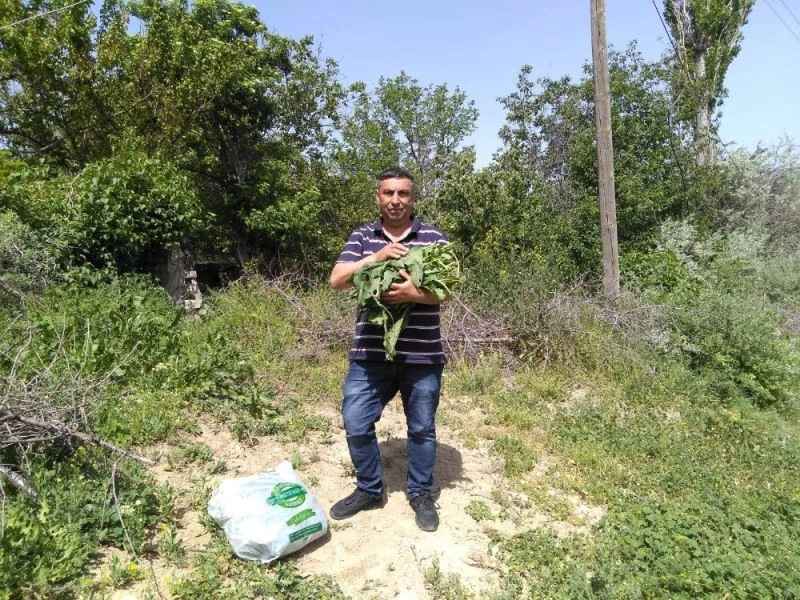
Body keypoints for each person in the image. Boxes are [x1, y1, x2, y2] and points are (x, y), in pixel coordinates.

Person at [328, 166, 449, 532]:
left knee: (423, 429)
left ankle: (421, 494)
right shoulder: (363, 236)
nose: (395, 200)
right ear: (378, 197)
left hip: (421, 355)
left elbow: (448, 287)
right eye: (388, 193)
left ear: (413, 198)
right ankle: (368, 489)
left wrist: (416, 294)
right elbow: (337, 279)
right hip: (370, 355)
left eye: (403, 194)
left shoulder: (433, 237)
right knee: (356, 421)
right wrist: (376, 258)